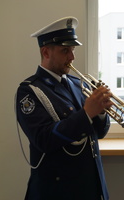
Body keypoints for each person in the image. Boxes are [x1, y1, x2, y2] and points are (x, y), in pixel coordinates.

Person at [15, 16, 113, 200]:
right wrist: (87, 114)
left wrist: (100, 112)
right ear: (46, 53)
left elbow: (98, 134)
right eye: (65, 51)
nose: (72, 57)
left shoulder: (78, 84)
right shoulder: (29, 91)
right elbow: (44, 139)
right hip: (57, 191)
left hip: (90, 186)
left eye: (73, 50)